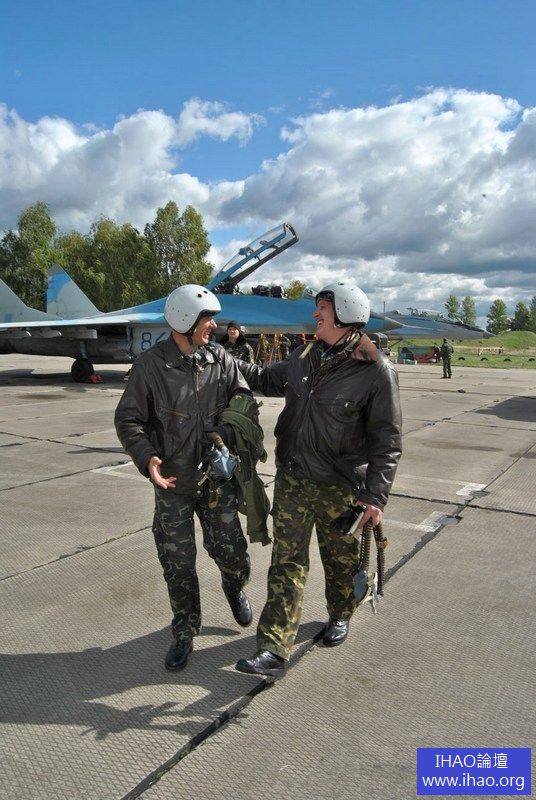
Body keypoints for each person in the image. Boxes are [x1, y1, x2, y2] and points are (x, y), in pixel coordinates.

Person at [234, 281, 402, 677]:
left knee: (340, 561)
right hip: (293, 479)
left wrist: (375, 496)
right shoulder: (304, 356)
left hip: (341, 487)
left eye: (322, 309)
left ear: (344, 313)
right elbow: (264, 378)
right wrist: (221, 358)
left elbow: (387, 441)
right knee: (286, 563)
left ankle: (341, 613)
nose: (315, 315)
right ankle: (274, 648)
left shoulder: (375, 370)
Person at [115, 285, 253, 672]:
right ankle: (185, 630)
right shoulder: (151, 366)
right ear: (184, 320)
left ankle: (234, 585)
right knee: (177, 564)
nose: (213, 325)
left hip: (215, 480)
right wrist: (147, 458)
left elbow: (243, 401)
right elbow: (128, 419)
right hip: (173, 484)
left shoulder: (220, 359)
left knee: (233, 553)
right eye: (207, 318)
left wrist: (227, 433)